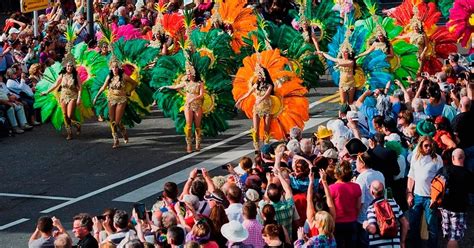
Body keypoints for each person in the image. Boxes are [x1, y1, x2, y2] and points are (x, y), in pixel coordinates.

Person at [159, 60, 204, 153]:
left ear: (193, 74)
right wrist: (165, 87)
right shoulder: (185, 83)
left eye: (189, 73)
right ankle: (188, 145)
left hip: (197, 106)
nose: (187, 75)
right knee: (188, 126)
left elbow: (201, 95)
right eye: (187, 73)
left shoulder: (200, 83)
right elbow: (176, 87)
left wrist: (193, 99)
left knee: (197, 126)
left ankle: (198, 144)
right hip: (188, 105)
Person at [406, 135, 443, 247]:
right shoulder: (415, 158)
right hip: (417, 196)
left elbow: (441, 181)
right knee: (413, 225)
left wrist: (436, 198)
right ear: (420, 146)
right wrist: (409, 193)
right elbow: (411, 176)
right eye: (426, 146)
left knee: (432, 226)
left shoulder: (437, 159)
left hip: (430, 198)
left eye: (430, 145)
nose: (428, 148)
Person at [93, 58, 138, 148]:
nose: (115, 69)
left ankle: (123, 131)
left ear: (119, 68)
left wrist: (129, 91)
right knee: (112, 120)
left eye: (116, 67)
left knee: (117, 121)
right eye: (113, 67)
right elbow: (103, 87)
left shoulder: (124, 76)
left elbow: (134, 83)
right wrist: (96, 97)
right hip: (111, 99)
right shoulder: (109, 76)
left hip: (121, 99)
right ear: (111, 68)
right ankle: (116, 140)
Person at [439, 149, 474, 248]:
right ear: (464, 158)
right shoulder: (468, 174)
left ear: (452, 158)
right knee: (453, 238)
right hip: (459, 209)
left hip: (444, 208)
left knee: (449, 235)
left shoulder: (444, 170)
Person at [235, 63, 274, 151]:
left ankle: (265, 147)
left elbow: (267, 95)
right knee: (255, 130)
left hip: (267, 109)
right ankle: (256, 147)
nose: (259, 76)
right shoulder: (256, 85)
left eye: (260, 74)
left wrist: (260, 99)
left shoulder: (270, 85)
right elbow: (248, 94)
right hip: (257, 108)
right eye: (258, 74)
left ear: (264, 75)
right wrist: (239, 100)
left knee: (266, 130)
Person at [41, 58, 82, 140]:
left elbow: (80, 88)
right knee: (64, 115)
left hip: (73, 96)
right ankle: (69, 133)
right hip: (63, 96)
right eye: (68, 66)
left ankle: (77, 125)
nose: (69, 68)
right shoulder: (62, 75)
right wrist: (47, 91)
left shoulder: (75, 75)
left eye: (71, 66)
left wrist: (79, 98)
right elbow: (55, 85)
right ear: (65, 67)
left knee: (70, 114)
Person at [362, 180, 409, 247]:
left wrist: (365, 225)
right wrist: (402, 242)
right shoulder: (394, 204)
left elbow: (373, 229)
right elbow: (405, 223)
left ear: (372, 192)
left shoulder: (372, 208)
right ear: (384, 191)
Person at [329, 161, 361, 248]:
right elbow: (358, 206)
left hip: (337, 223)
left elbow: (330, 207)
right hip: (352, 222)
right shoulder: (357, 187)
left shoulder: (332, 188)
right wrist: (354, 217)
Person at [316, 35, 356, 104]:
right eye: (343, 52)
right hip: (342, 84)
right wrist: (322, 53)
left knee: (350, 102)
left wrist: (339, 65)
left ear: (349, 53)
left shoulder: (351, 61)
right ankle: (342, 114)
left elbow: (347, 64)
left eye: (346, 52)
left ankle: (350, 114)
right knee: (343, 102)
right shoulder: (339, 60)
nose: (344, 54)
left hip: (351, 84)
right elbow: (330, 58)